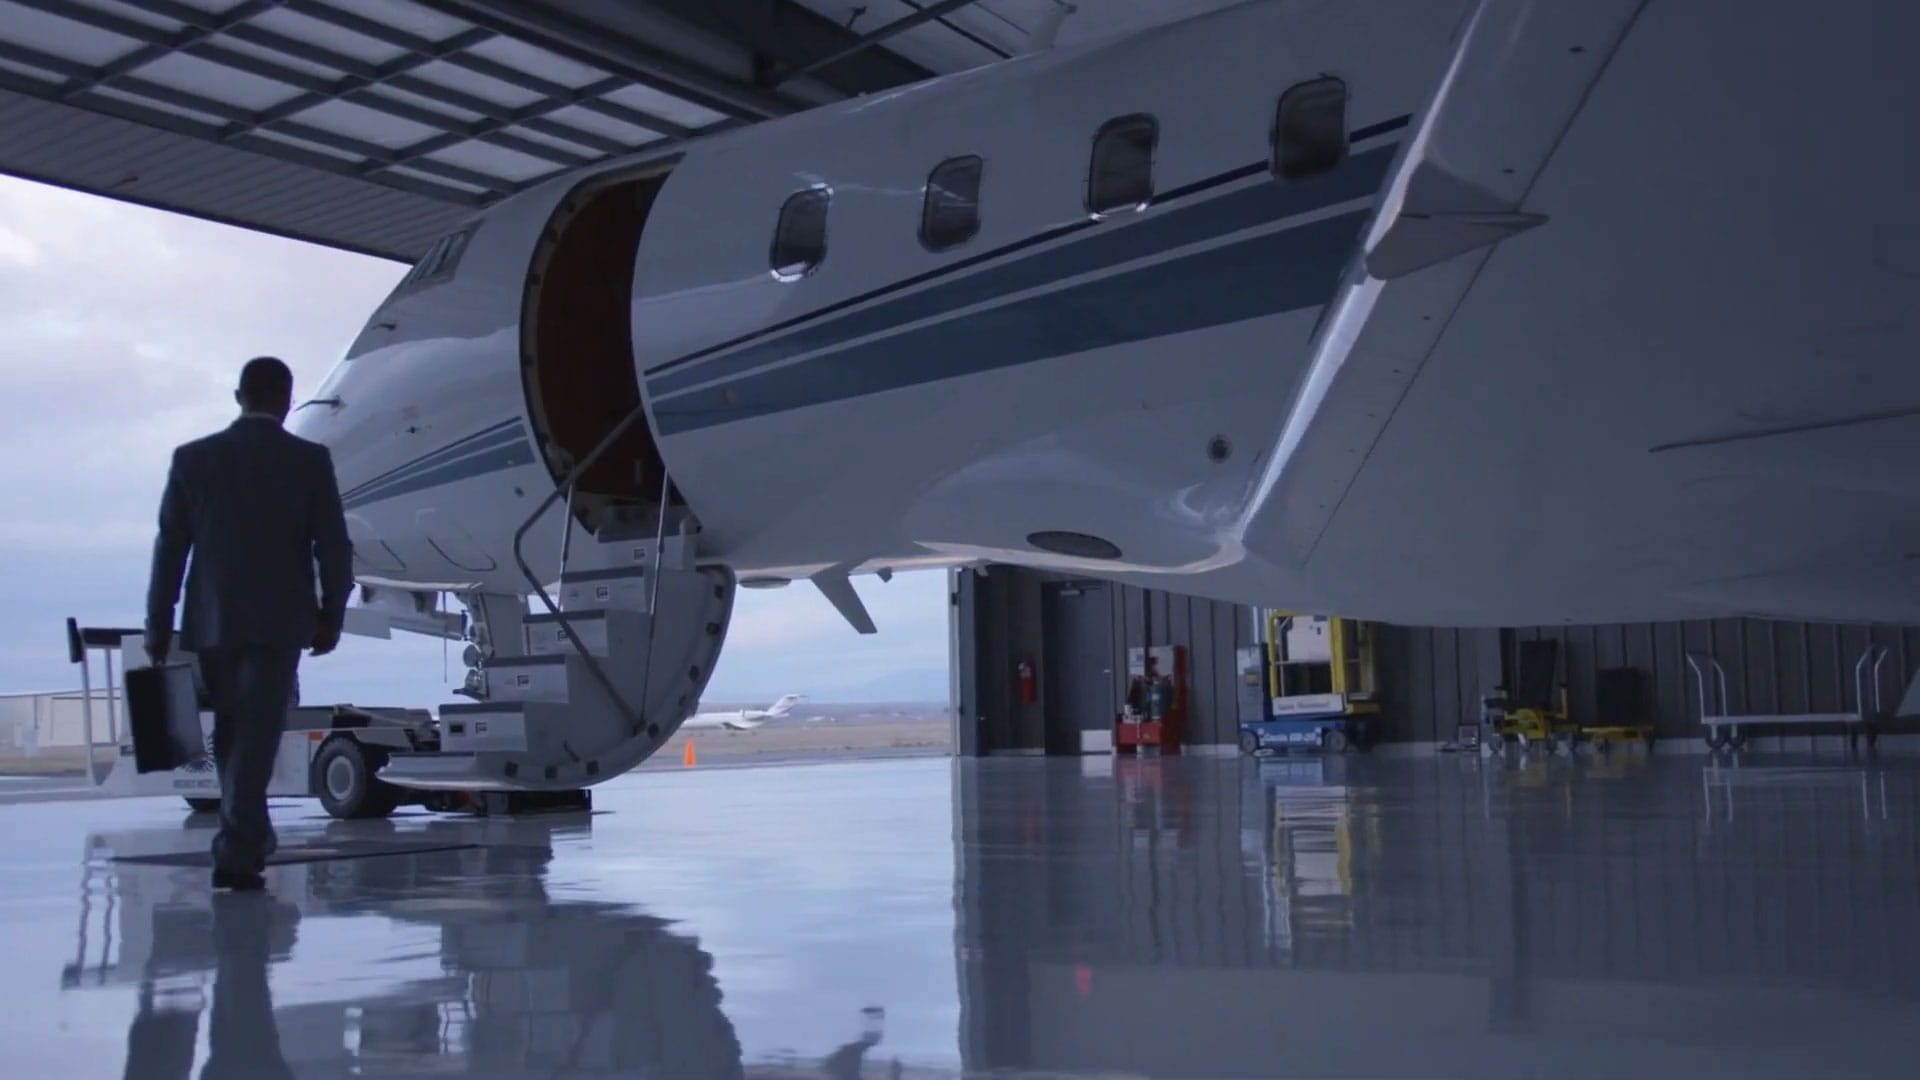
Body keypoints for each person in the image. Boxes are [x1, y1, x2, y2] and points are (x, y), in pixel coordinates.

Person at [146, 357, 352, 892]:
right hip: (281, 619)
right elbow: (332, 543)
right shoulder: (308, 460)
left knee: (238, 732)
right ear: (286, 399)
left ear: (239, 395)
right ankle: (238, 852)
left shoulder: (194, 459)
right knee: (255, 731)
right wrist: (332, 613)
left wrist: (157, 623)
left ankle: (248, 838)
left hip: (211, 619)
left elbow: (171, 548)